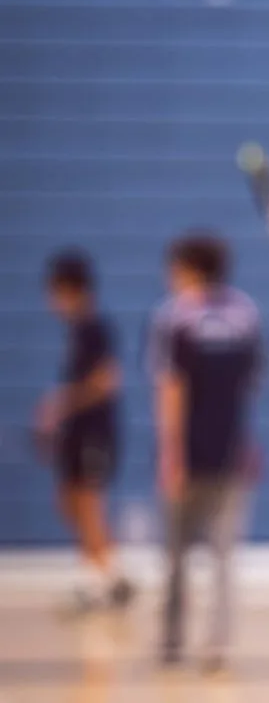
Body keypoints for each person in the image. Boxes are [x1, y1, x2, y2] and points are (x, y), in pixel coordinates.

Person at [148, 233, 264, 672]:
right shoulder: (245, 314)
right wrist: (248, 443)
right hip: (231, 452)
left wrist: (169, 454)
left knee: (175, 554)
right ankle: (218, 646)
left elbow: (170, 388)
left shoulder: (174, 317)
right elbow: (248, 388)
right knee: (223, 556)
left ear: (188, 268)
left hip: (190, 454)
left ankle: (172, 642)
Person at [37, 249, 135, 615]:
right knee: (70, 502)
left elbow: (107, 380)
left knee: (89, 504)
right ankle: (113, 575)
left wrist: (62, 403)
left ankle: (94, 585)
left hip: (96, 432)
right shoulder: (76, 331)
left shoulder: (95, 327)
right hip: (77, 433)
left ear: (70, 289)